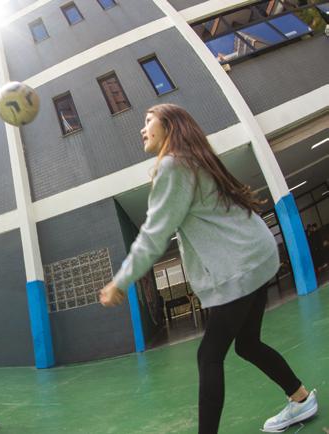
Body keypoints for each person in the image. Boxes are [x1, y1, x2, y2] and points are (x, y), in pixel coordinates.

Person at [99, 104, 318, 434]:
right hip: (257, 255)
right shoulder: (195, 158)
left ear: (169, 125)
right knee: (247, 344)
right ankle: (300, 399)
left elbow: (154, 234)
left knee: (209, 356)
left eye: (148, 121)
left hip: (241, 264)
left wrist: (120, 281)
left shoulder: (173, 165)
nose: (142, 129)